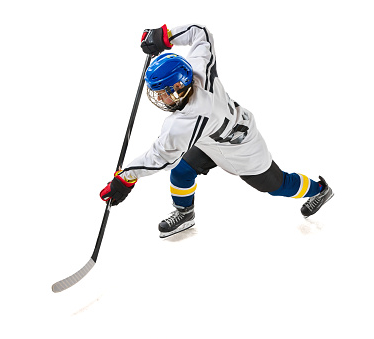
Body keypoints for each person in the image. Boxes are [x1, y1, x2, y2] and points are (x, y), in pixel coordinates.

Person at [100, 24, 334, 238]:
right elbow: (200, 33)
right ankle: (185, 214)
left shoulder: (186, 122)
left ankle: (320, 190)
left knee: (278, 185)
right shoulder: (199, 70)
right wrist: (165, 36)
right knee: (182, 172)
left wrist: (126, 178)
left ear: (180, 85)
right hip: (211, 139)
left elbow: (159, 158)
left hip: (244, 150)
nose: (159, 98)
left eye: (162, 91)